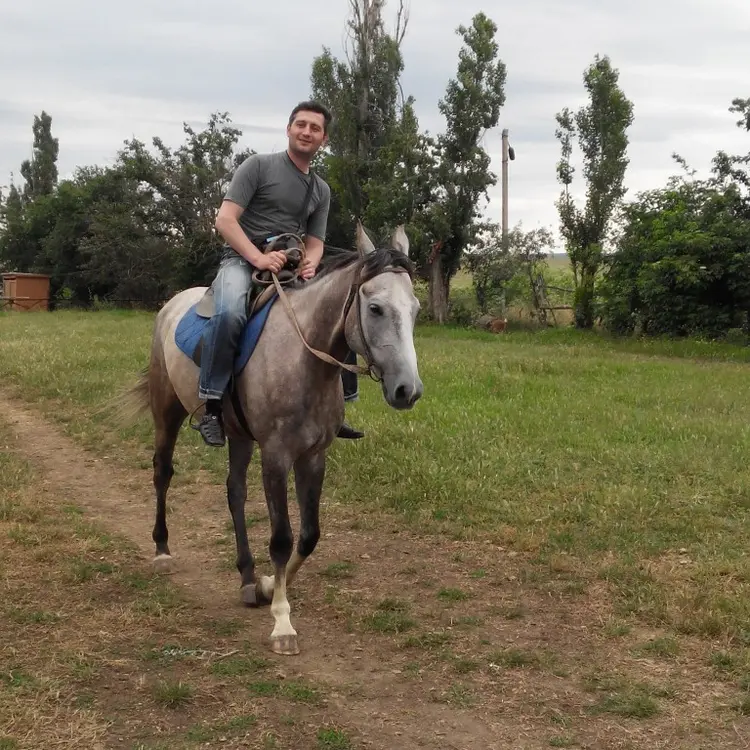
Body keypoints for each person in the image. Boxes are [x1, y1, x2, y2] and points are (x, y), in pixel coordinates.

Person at [194, 100, 364, 447]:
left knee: (340, 309)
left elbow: (316, 242)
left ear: (324, 140)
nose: (307, 132)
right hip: (242, 260)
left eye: (315, 128)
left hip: (290, 264)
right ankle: (211, 407)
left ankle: (336, 409)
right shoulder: (258, 166)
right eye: (301, 124)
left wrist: (311, 262)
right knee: (228, 314)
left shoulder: (320, 190)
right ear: (288, 129)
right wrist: (257, 258)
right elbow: (225, 220)